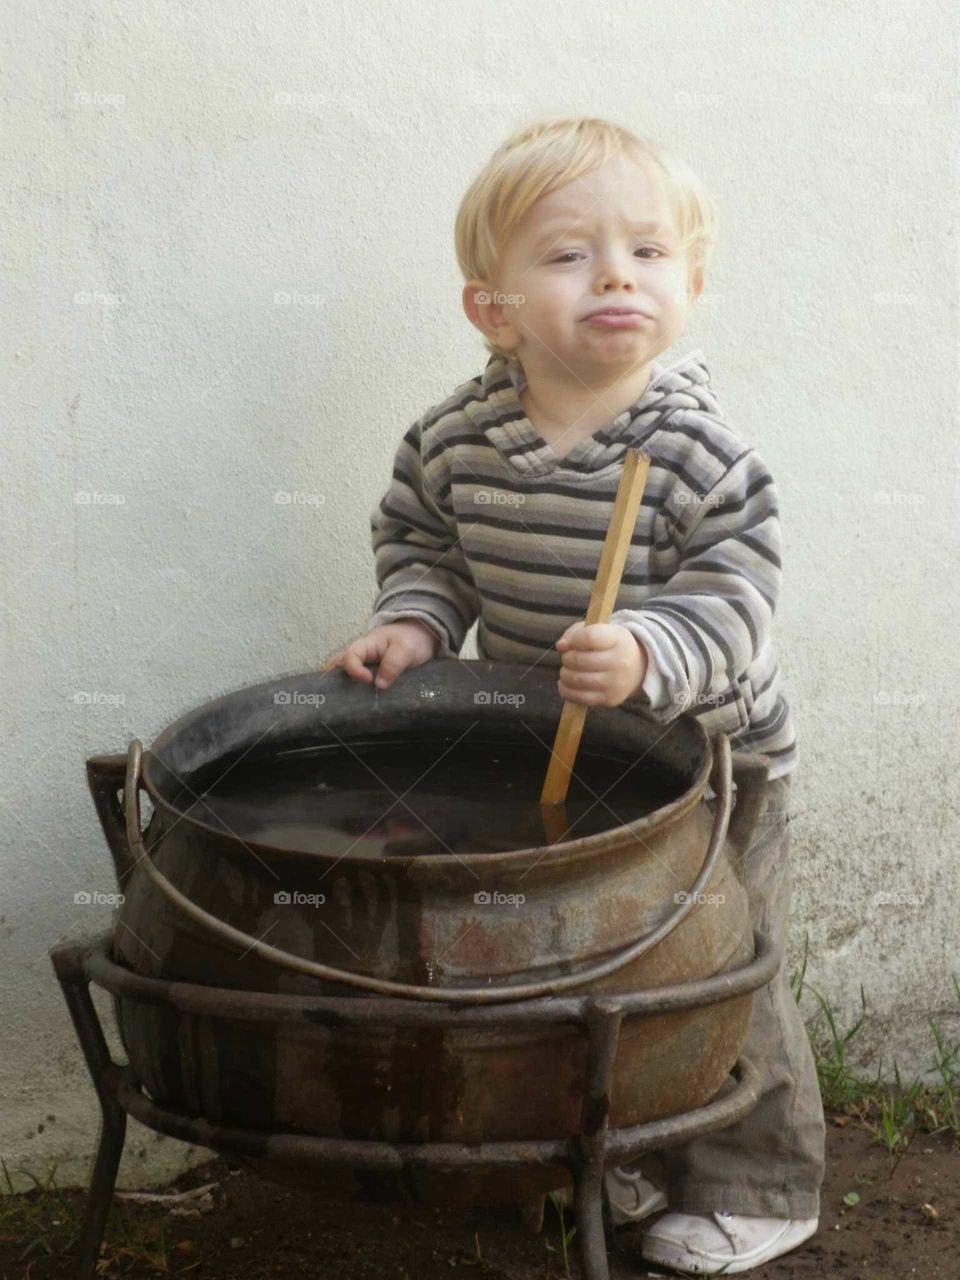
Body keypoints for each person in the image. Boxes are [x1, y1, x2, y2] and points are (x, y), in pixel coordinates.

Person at [323, 116, 825, 1275]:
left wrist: (651, 648)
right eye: (568, 254)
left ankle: (758, 1180)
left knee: (717, 962)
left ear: (690, 284)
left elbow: (739, 598)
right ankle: (625, 1148)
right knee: (593, 960)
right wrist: (414, 620)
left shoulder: (700, 451)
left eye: (648, 252)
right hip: (562, 750)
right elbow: (423, 544)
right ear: (490, 308)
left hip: (712, 762)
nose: (615, 274)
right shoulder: (457, 439)